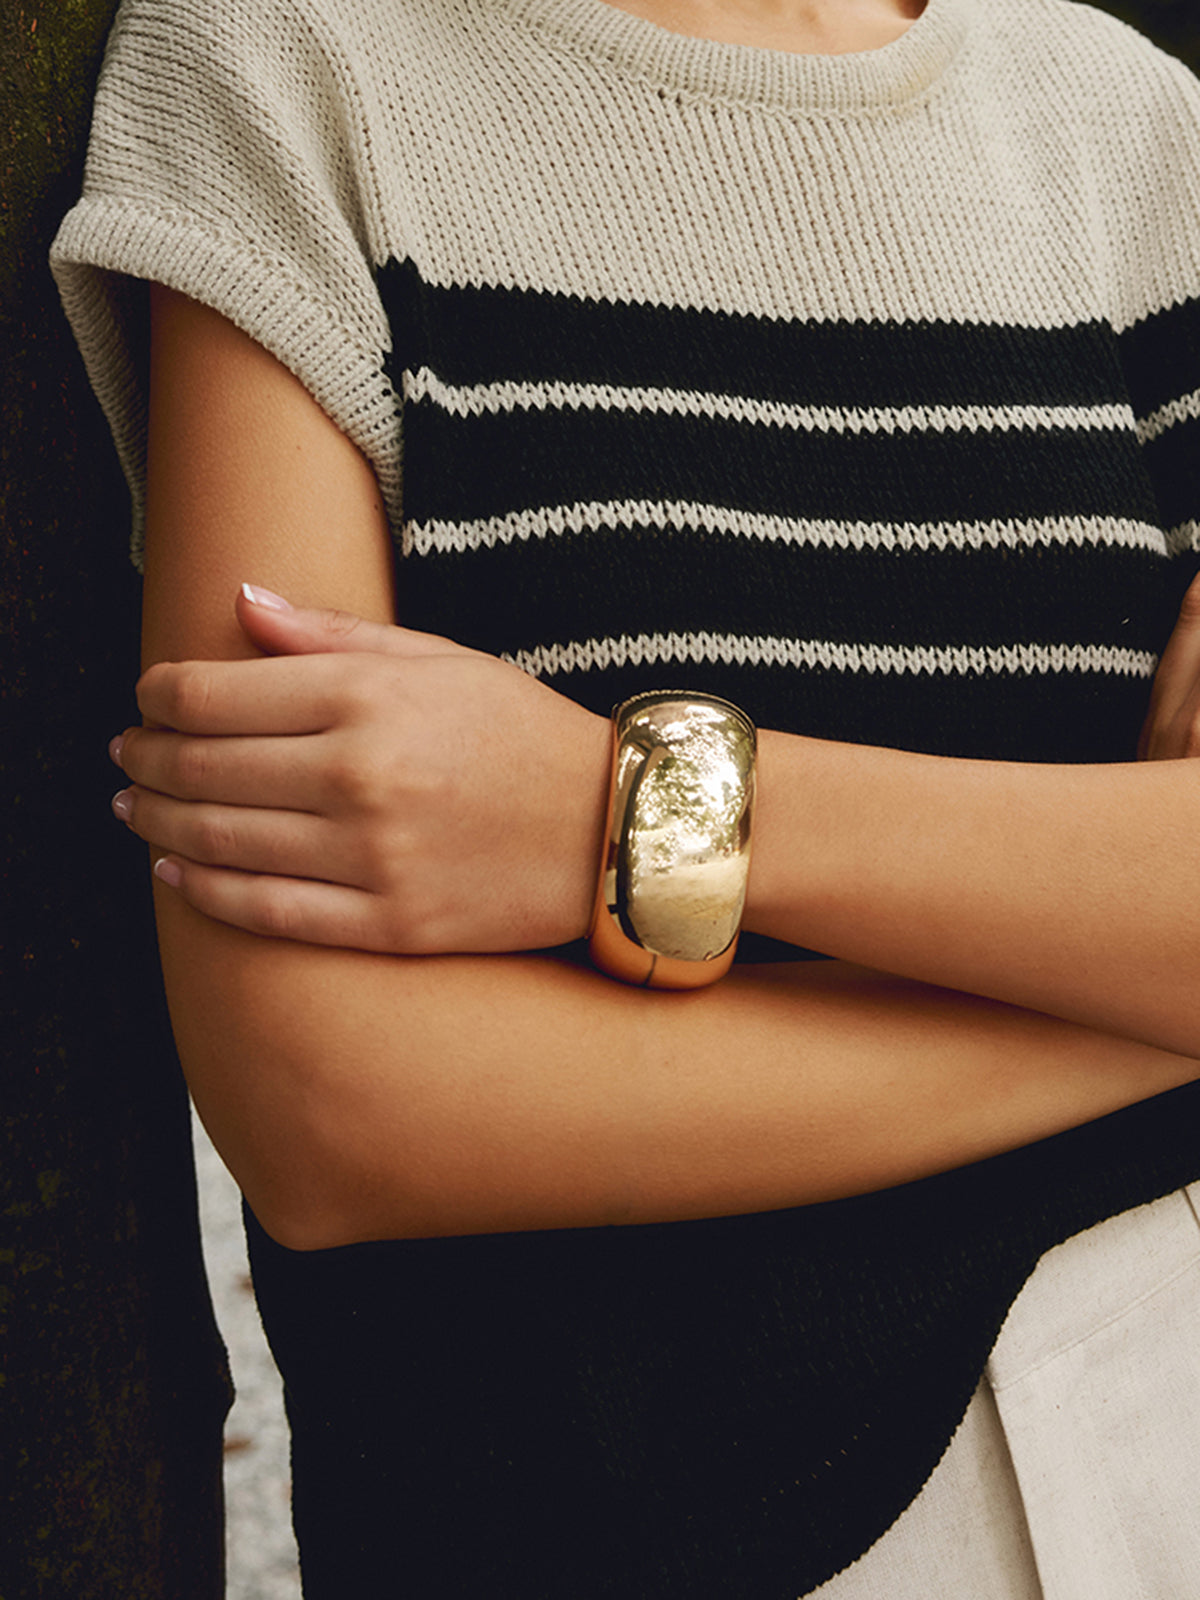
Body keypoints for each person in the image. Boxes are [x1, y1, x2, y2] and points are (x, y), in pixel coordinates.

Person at [51, 0, 1200, 1591]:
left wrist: (606, 804)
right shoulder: (287, 65)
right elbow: (332, 1105)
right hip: (612, 1522)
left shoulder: (1126, 124)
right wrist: (1136, 990)